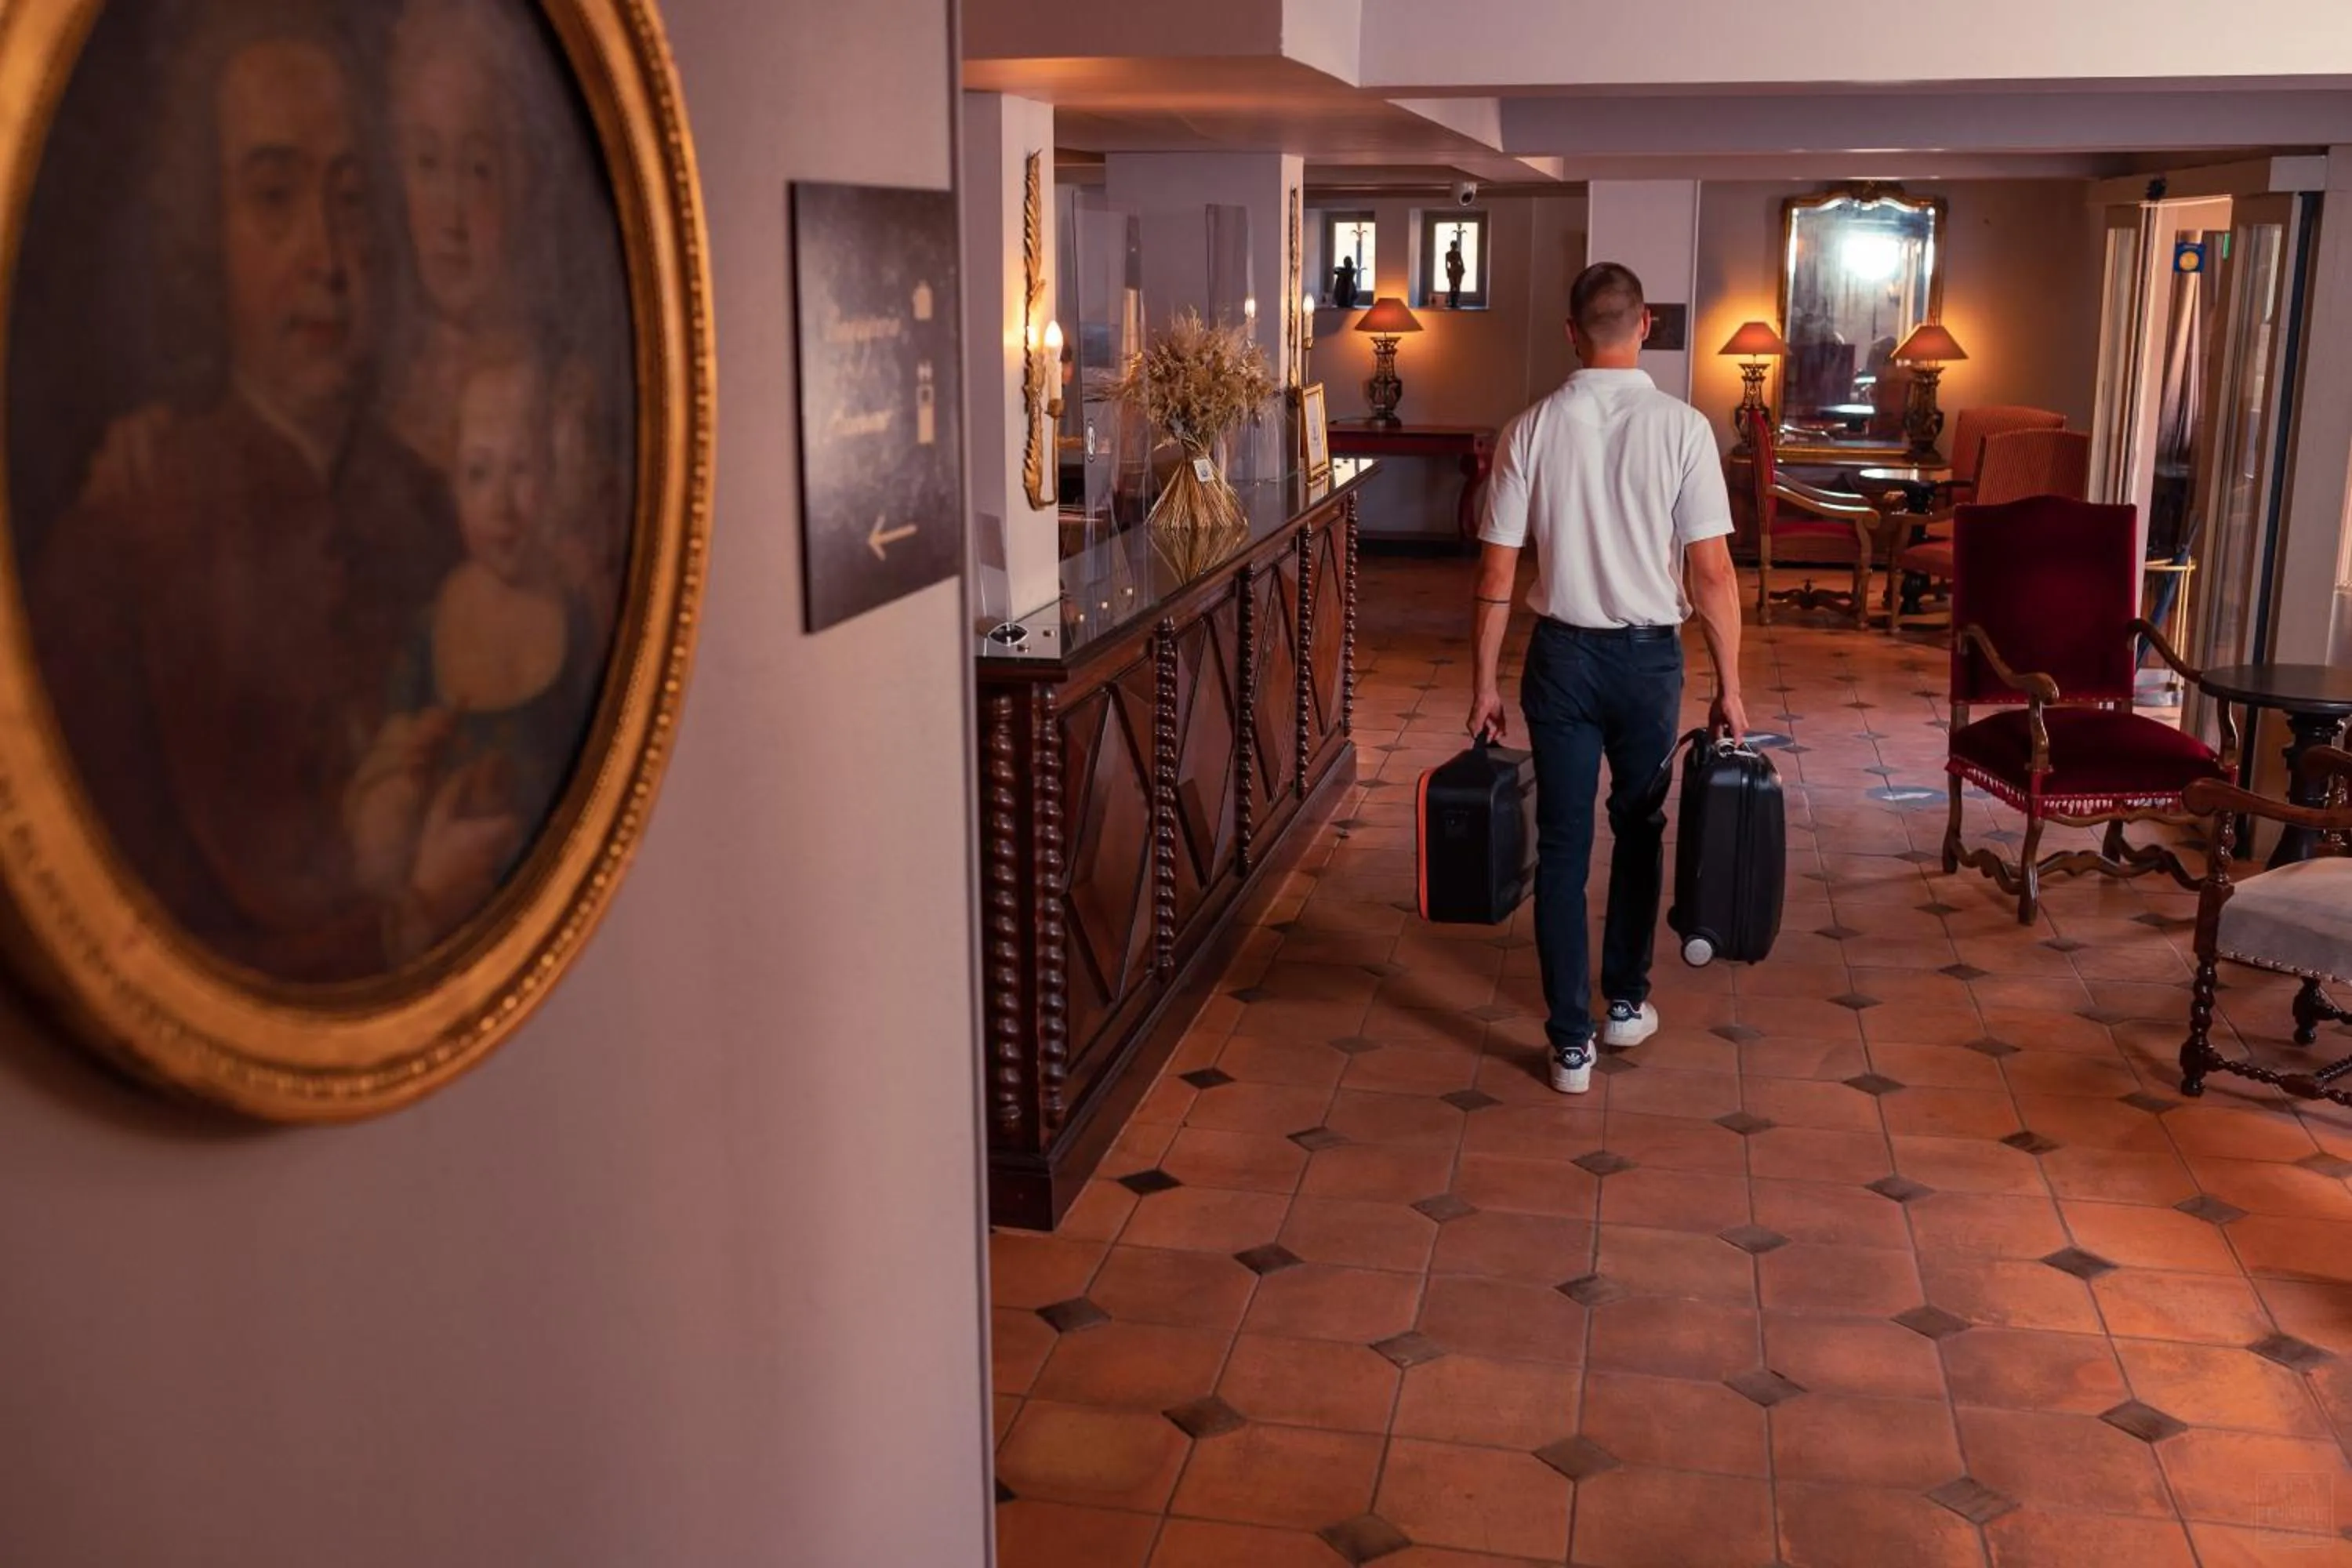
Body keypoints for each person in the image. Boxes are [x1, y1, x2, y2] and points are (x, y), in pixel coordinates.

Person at [28, 11, 477, 981]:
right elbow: (145, 963)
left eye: (352, 202)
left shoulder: (436, 517)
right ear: (203, 234)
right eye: (273, 197)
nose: (327, 257)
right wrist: (407, 921)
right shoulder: (113, 554)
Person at [1465, 262, 1747, 1094]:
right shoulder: (1684, 428)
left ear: (1570, 331)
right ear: (1647, 324)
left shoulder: (1529, 429)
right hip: (1649, 661)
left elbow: (1495, 575)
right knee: (1639, 825)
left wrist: (1482, 683)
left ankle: (1570, 1046)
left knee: (1561, 845)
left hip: (1560, 658)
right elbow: (1714, 574)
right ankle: (1624, 1001)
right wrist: (1729, 684)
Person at [347, 343, 600, 961]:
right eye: (479, 474)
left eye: (523, 471)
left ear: (554, 475)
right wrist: (403, 780)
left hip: (561, 920)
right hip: (453, 925)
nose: (502, 507)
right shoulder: (429, 630)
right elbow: (373, 841)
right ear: (452, 481)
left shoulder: (579, 620)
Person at [1445, 239, 1465, 309]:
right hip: (1451, 270)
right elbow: (1446, 265)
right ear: (1451, 246)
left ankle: (1457, 301)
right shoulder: (1448, 254)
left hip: (1458, 270)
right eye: (1453, 245)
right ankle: (1451, 301)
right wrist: (1447, 272)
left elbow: (1461, 262)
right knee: (1452, 285)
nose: (1454, 247)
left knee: (1457, 286)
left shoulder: (1458, 253)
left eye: (1455, 246)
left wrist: (1462, 270)